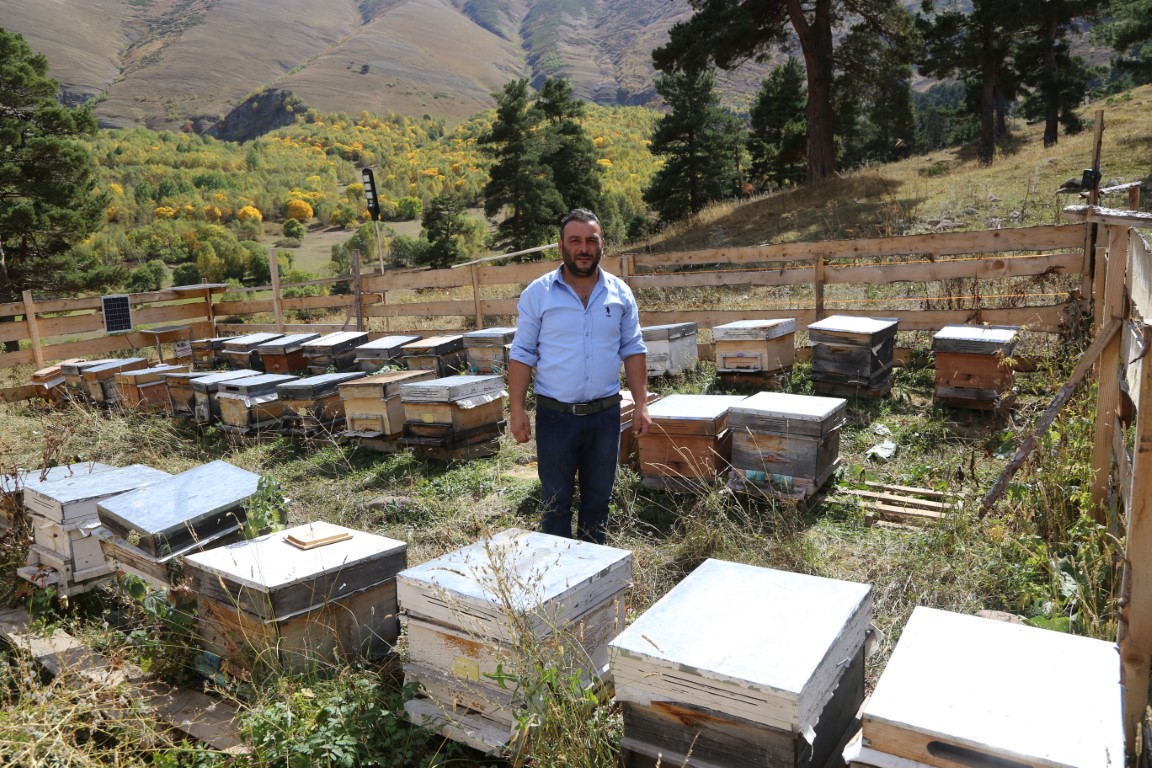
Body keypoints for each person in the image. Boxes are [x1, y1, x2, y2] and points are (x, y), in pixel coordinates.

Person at [508, 208, 652, 544]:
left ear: (602, 244)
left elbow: (633, 349)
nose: (583, 248)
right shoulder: (538, 294)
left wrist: (642, 403)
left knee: (598, 503)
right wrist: (517, 409)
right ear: (561, 245)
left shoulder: (620, 294)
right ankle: (559, 580)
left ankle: (593, 579)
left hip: (604, 417)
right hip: (555, 418)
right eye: (575, 240)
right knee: (556, 505)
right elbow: (522, 354)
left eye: (591, 240)